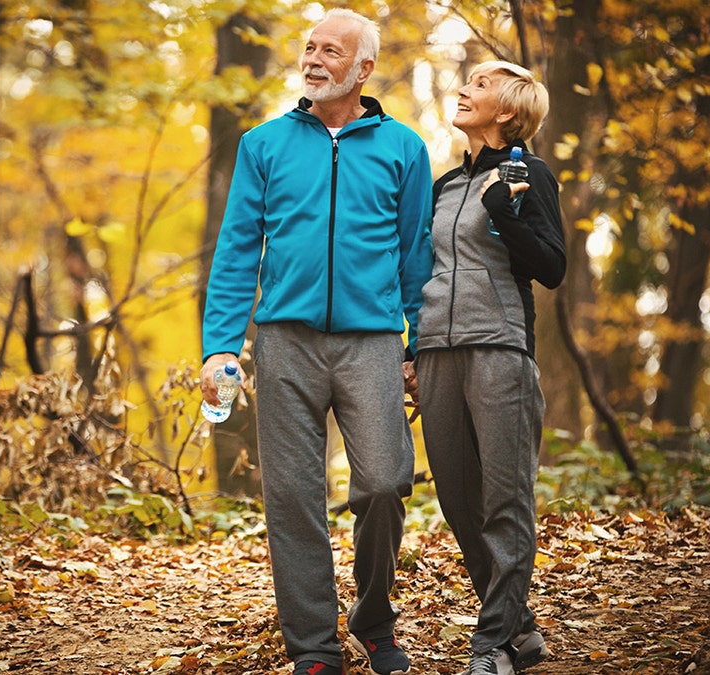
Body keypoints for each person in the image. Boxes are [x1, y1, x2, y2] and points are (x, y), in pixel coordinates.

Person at [200, 9, 432, 675]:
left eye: (331, 50)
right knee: (294, 497)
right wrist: (221, 344)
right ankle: (313, 647)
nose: (314, 58)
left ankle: (374, 615)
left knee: (386, 480)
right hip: (284, 342)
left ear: (363, 68)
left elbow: (415, 254)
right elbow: (238, 249)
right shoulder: (263, 144)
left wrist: (420, 346)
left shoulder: (404, 149)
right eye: (309, 46)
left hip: (373, 343)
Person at [409, 61, 566, 675]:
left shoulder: (529, 176)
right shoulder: (445, 186)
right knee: (456, 500)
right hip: (436, 354)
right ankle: (521, 627)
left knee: (506, 501)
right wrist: (409, 346)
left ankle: (493, 643)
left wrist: (503, 211)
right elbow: (425, 272)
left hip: (500, 347)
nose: (464, 88)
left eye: (479, 83)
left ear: (508, 110)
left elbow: (551, 267)